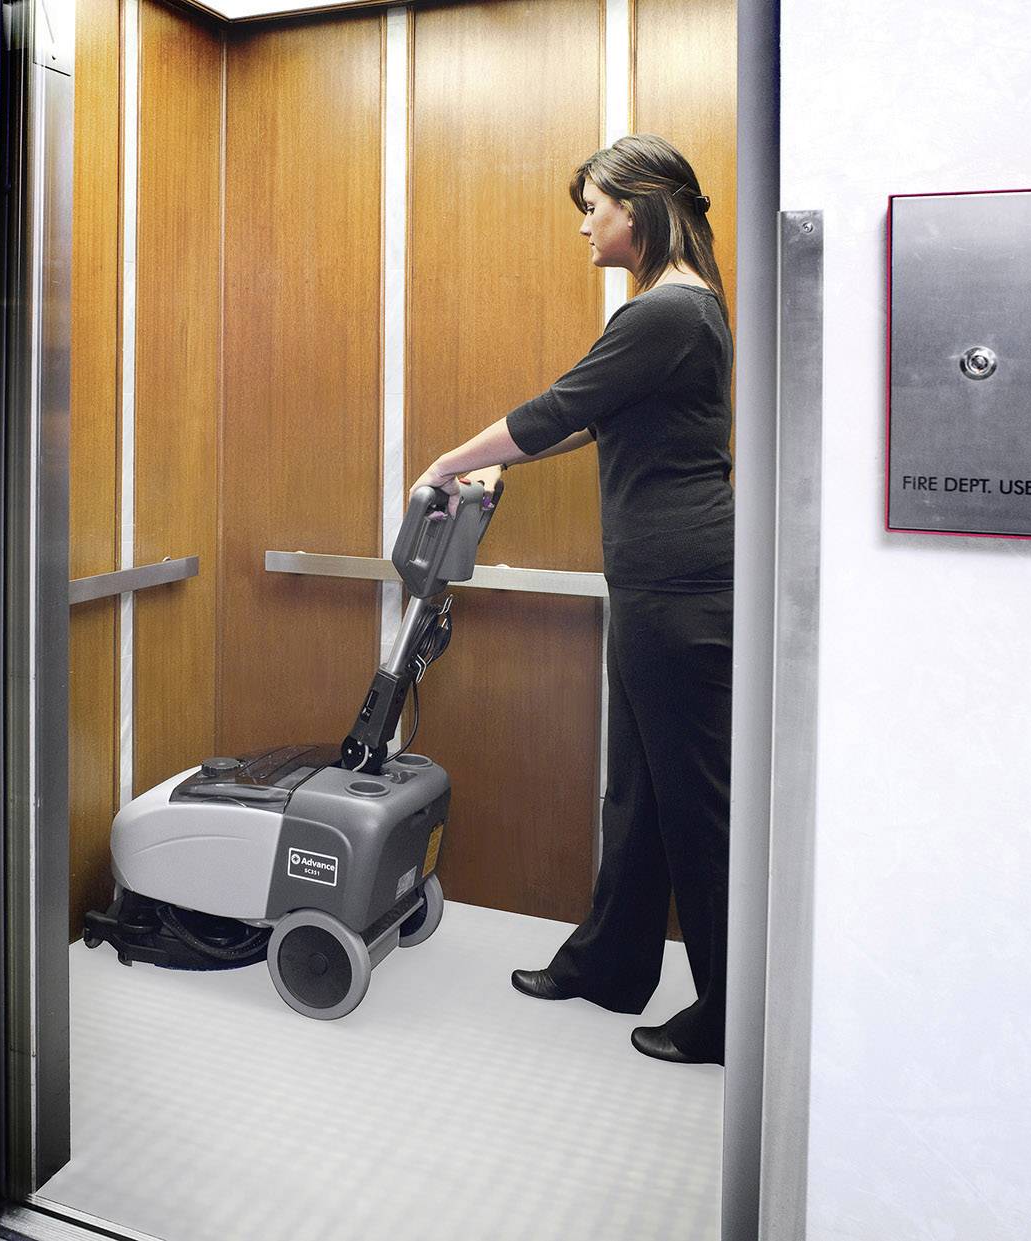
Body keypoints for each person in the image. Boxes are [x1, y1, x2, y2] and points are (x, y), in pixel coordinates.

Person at [411, 134, 732, 1065]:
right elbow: (588, 421)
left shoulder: (666, 313)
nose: (585, 224)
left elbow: (555, 407)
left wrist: (445, 464)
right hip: (658, 581)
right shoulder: (675, 312)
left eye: (592, 204)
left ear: (637, 206)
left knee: (695, 803)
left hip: (682, 586)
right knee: (638, 787)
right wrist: (496, 467)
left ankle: (725, 1014)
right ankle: (611, 961)